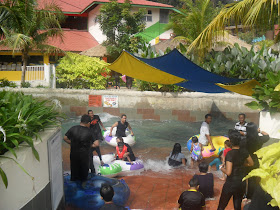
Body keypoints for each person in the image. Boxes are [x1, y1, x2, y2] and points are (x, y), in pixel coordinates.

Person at [217, 130, 254, 210]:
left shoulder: (230, 154)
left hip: (231, 184)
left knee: (221, 206)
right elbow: (251, 163)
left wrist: (221, 168)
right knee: (237, 206)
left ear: (230, 141)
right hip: (241, 183)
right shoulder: (244, 151)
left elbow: (228, 172)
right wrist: (242, 164)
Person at [63, 115, 95, 185]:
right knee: (83, 174)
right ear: (89, 123)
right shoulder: (89, 132)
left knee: (74, 171)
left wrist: (72, 143)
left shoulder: (73, 128)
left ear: (81, 121)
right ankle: (83, 186)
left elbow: (65, 138)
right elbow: (94, 144)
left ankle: (73, 187)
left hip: (74, 154)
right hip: (84, 156)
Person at [244, 122, 269, 199]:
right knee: (253, 179)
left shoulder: (244, 141)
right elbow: (267, 135)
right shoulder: (260, 139)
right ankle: (250, 196)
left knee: (244, 178)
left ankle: (244, 195)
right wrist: (260, 131)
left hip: (246, 161)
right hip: (256, 160)